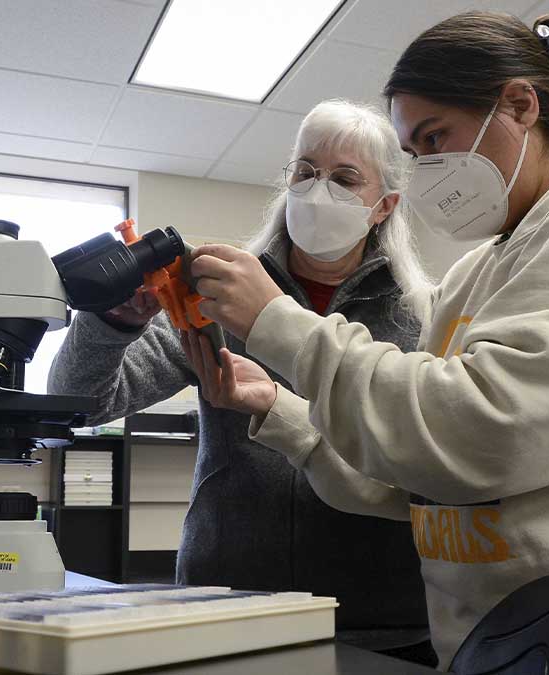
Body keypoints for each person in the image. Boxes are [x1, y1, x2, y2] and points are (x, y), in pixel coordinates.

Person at [181, 12, 549, 674]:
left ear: (520, 105)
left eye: (435, 137)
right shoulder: (476, 272)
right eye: (415, 155)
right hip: (510, 644)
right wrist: (282, 411)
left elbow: (492, 433)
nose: (429, 169)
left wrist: (278, 322)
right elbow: (429, 466)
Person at [48, 100, 437, 661]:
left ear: (384, 206)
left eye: (345, 178)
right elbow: (77, 406)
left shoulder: (422, 316)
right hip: (226, 600)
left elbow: (427, 462)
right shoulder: (219, 293)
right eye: (305, 171)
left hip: (383, 618)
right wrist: (112, 323)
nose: (317, 189)